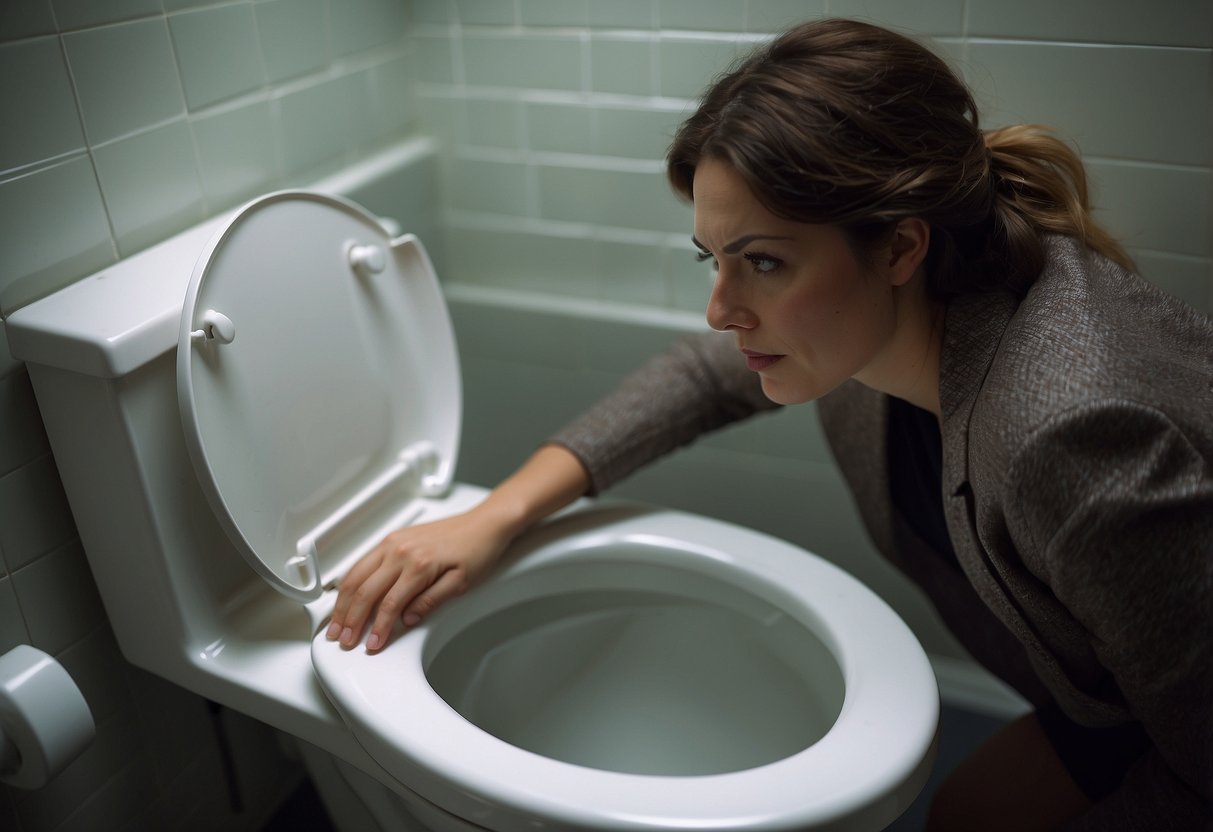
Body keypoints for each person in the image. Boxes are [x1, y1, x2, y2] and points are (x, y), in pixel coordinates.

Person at [325, 18, 1213, 831]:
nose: (720, 310)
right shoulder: (906, 311)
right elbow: (699, 379)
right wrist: (497, 516)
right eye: (711, 259)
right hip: (1110, 708)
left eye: (761, 263)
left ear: (901, 246)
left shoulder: (1074, 439)